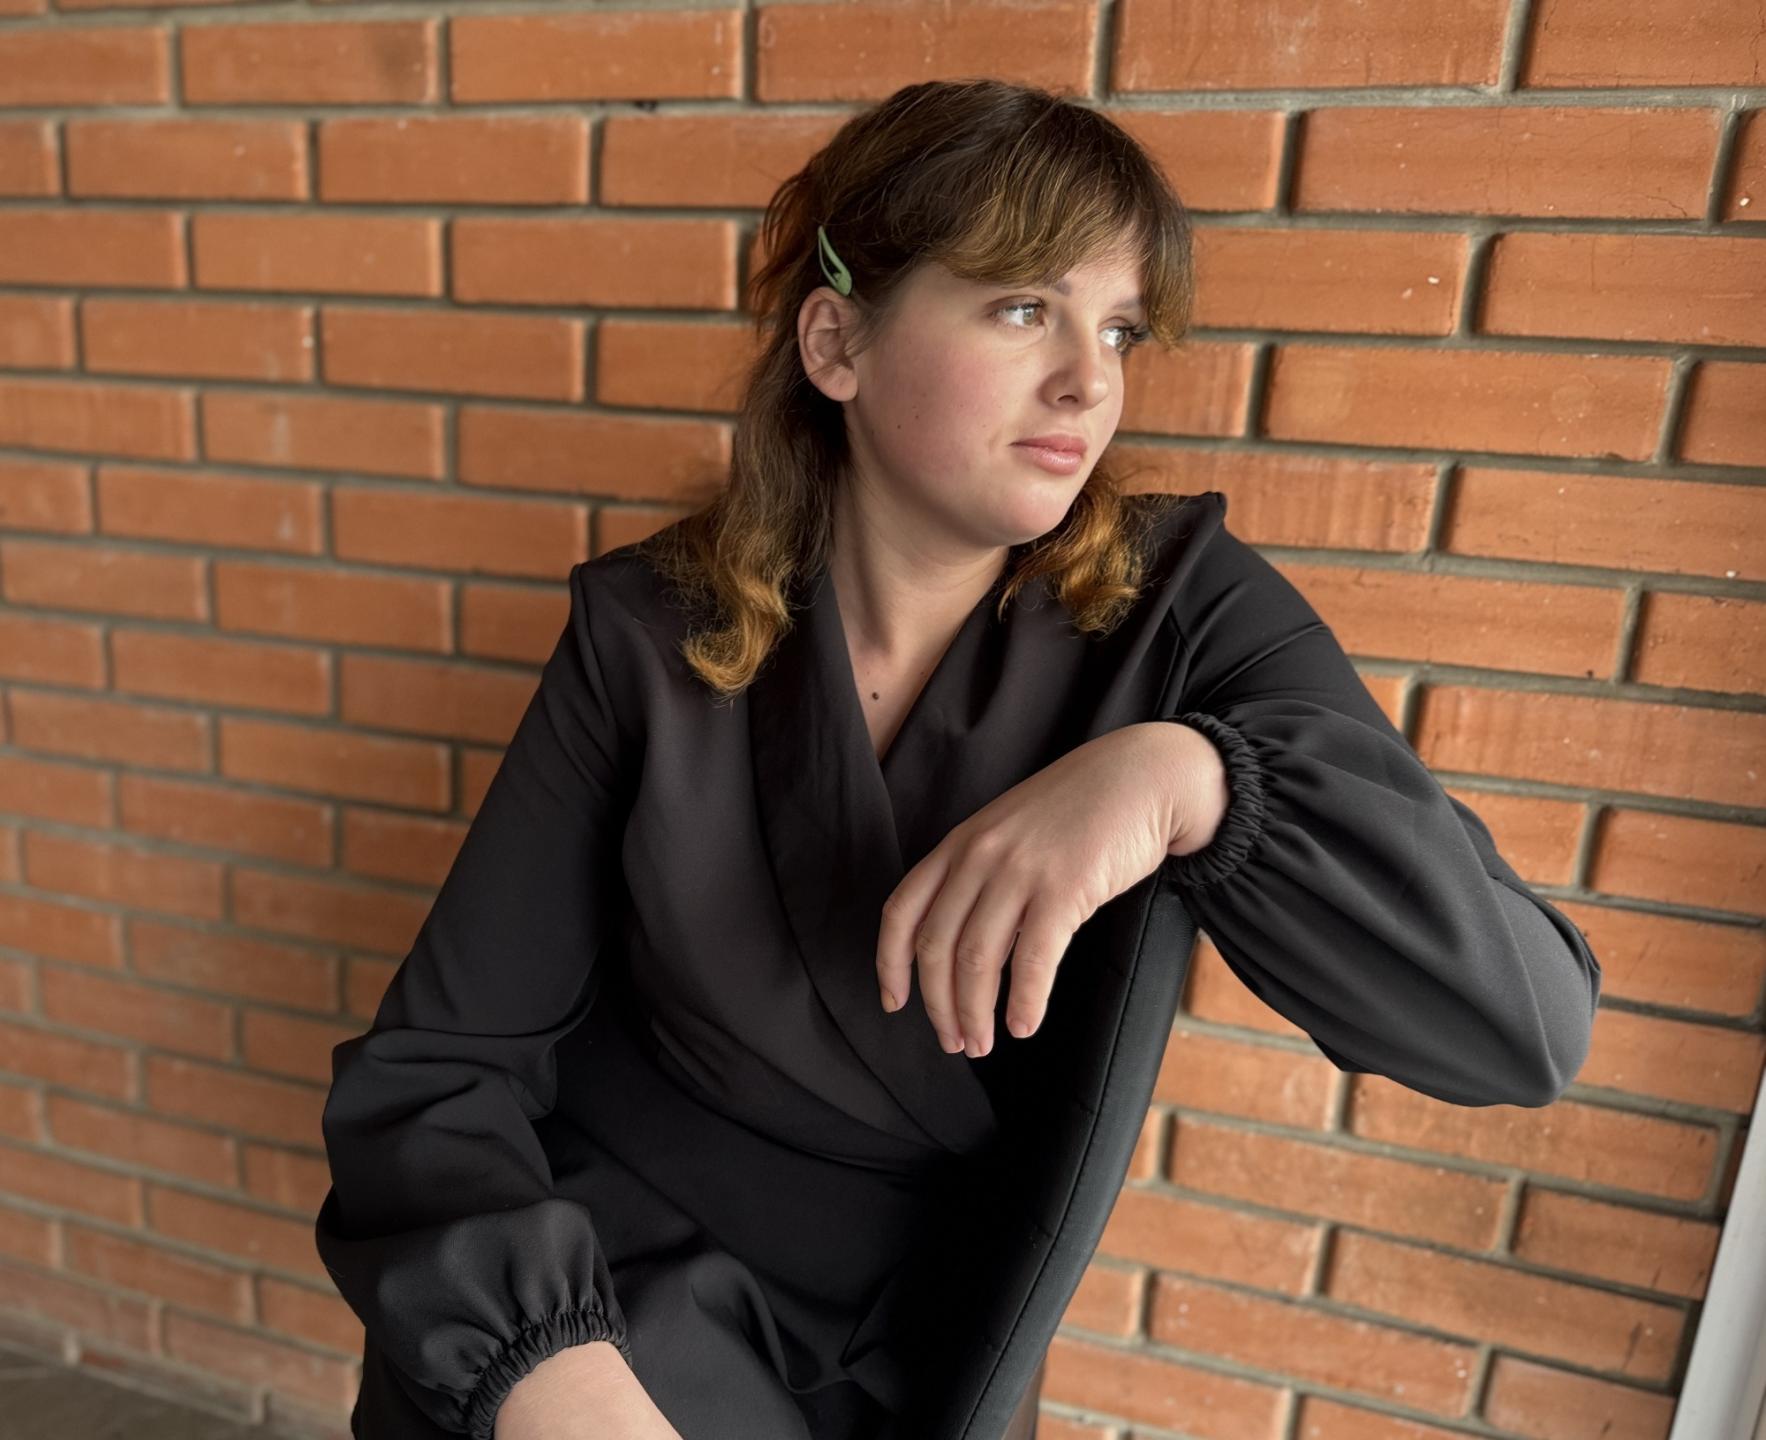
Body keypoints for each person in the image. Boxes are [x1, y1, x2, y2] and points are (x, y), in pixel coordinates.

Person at [313, 78, 1603, 1440]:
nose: (1090, 381)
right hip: (578, 1310)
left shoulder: (1182, 615)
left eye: (1118, 327)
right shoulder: (649, 629)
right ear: (837, 343)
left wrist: (1191, 782)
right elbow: (437, 1072)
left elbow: (1522, 1029)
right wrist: (551, 1374)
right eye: (1022, 307)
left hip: (923, 1359)